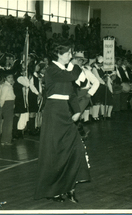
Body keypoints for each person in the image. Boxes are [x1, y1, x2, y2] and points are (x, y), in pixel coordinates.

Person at [34, 41, 90, 203]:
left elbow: (72, 94)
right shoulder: (51, 70)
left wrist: (77, 111)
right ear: (58, 54)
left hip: (66, 111)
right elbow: (73, 76)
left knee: (74, 148)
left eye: (71, 54)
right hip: (54, 112)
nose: (70, 57)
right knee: (55, 151)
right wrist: (76, 66)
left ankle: (69, 187)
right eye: (68, 54)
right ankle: (54, 190)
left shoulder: (65, 70)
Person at [0, 71, 15, 146]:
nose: (11, 79)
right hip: (7, 105)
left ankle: (5, 140)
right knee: (8, 123)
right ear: (5, 78)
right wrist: (1, 106)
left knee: (7, 123)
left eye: (12, 77)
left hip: (10, 104)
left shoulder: (9, 85)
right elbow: (2, 97)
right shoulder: (6, 86)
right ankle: (6, 140)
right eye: (9, 77)